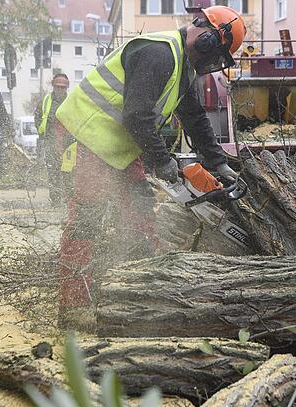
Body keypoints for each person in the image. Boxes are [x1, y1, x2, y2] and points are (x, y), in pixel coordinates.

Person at [54, 5, 245, 311]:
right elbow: (136, 115)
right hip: (87, 135)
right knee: (87, 220)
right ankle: (73, 306)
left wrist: (218, 162)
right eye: (214, 53)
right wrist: (162, 161)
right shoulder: (159, 53)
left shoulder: (182, 67)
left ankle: (134, 294)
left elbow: (194, 117)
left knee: (140, 210)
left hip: (119, 147)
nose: (210, 61)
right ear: (207, 37)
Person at [34, 73, 69, 205]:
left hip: (68, 144)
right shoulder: (46, 101)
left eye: (63, 87)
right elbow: (37, 117)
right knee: (53, 171)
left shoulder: (71, 101)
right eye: (58, 87)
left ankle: (67, 198)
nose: (60, 90)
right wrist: (42, 133)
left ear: (66, 88)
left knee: (68, 172)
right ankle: (55, 198)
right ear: (53, 87)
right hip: (51, 141)